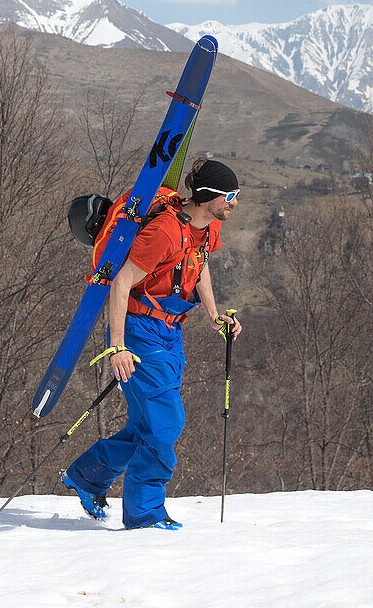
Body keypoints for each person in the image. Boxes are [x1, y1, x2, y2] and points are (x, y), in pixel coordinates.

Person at [61, 159, 243, 530]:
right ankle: (145, 513)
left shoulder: (206, 229)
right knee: (166, 424)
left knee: (149, 424)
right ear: (209, 196)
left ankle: (88, 476)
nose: (235, 203)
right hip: (140, 330)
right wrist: (118, 347)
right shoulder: (164, 231)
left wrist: (212, 315)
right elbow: (121, 282)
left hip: (171, 332)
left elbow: (200, 262)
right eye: (231, 196)